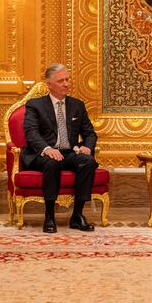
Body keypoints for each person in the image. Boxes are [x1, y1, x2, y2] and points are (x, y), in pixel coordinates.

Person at [22, 63, 98, 233]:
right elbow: (31, 133)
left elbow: (90, 133)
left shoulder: (77, 105)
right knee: (53, 162)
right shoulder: (35, 105)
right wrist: (47, 149)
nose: (66, 84)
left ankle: (77, 215)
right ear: (49, 84)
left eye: (67, 79)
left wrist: (87, 146)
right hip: (43, 155)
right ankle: (49, 216)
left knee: (88, 161)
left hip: (69, 153)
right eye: (61, 81)